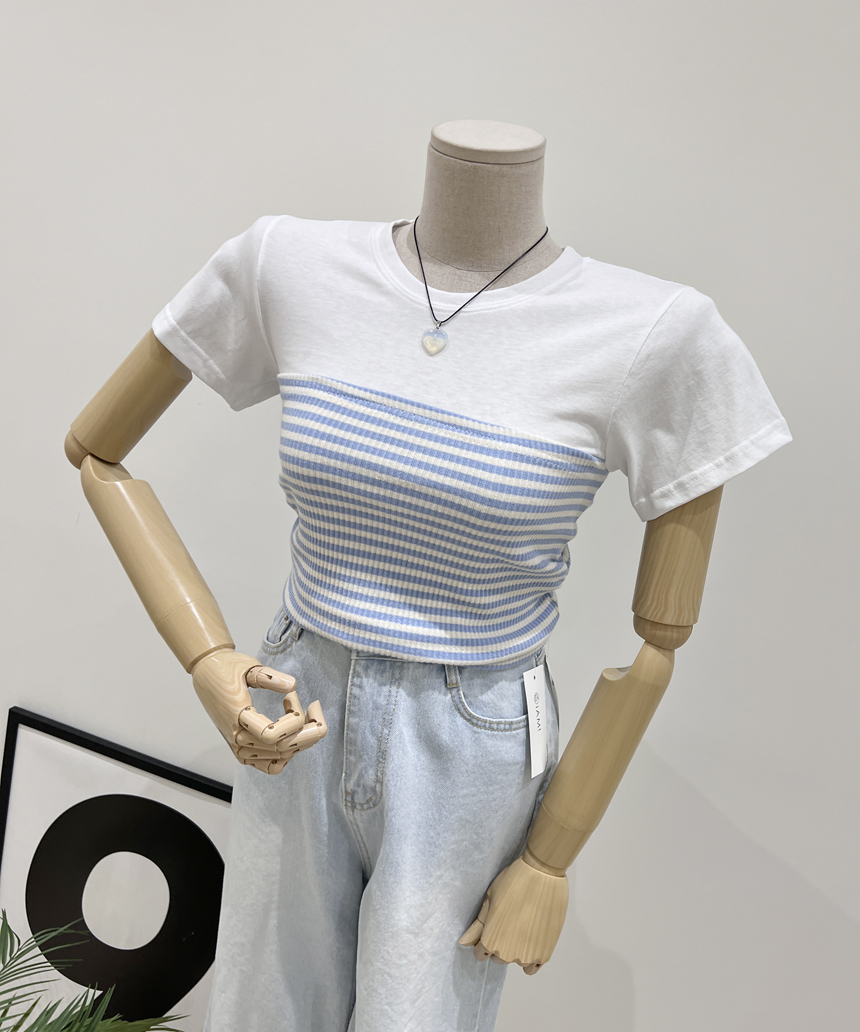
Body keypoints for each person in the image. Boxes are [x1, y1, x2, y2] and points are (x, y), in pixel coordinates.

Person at [66, 120, 791, 1031]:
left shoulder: (654, 333)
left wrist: (548, 860)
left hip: (470, 738)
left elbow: (659, 640)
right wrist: (208, 659)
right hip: (292, 698)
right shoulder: (288, 264)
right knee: (263, 1010)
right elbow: (97, 451)